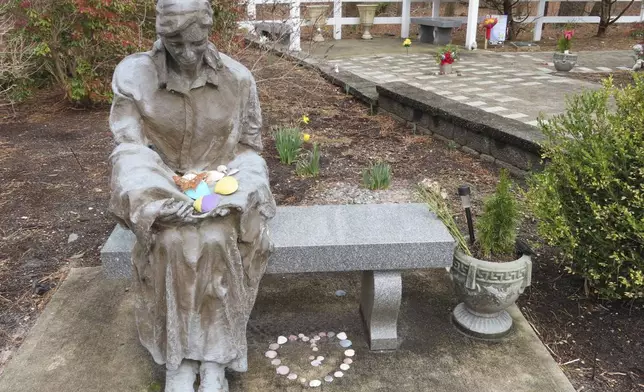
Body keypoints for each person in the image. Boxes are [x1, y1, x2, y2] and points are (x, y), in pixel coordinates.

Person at [108, 1, 275, 391]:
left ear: (210, 33)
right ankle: (179, 360)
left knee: (216, 239)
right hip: (162, 188)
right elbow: (130, 147)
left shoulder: (238, 79)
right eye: (173, 42)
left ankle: (215, 358)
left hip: (223, 186)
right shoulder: (133, 75)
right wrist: (162, 195)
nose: (185, 53)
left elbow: (251, 150)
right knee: (170, 242)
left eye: (196, 43)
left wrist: (238, 189)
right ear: (160, 35)